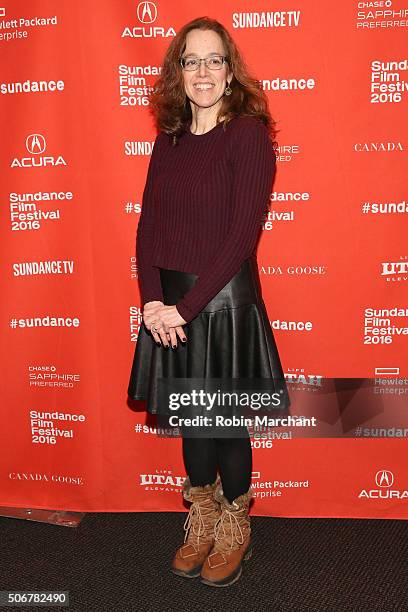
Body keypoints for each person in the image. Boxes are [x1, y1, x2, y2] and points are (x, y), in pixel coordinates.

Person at [127, 16, 290, 588]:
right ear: (179, 71)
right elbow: (148, 229)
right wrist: (152, 302)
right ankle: (201, 515)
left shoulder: (246, 134)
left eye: (213, 59)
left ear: (229, 70)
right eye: (190, 60)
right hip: (169, 306)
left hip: (220, 303)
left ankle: (235, 526)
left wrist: (186, 306)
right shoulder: (168, 139)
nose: (202, 71)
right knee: (194, 423)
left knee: (223, 423)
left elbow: (241, 238)